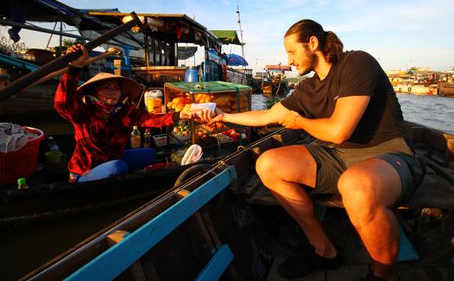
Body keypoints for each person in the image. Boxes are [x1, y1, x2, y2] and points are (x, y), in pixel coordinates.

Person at [197, 19, 425, 281]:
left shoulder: (357, 63)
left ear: (313, 44)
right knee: (268, 164)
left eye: (292, 52)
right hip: (339, 156)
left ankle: (385, 276)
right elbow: (267, 115)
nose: (290, 60)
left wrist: (300, 122)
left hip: (389, 154)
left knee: (356, 185)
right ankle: (323, 248)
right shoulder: (308, 88)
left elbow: (339, 131)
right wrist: (223, 117)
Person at [54, 44, 188, 183]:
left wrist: (179, 115)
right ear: (95, 93)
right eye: (106, 87)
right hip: (86, 171)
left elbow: (149, 119)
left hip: (111, 158)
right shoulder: (83, 112)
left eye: (116, 88)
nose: (113, 91)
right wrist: (74, 68)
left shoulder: (124, 111)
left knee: (150, 153)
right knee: (118, 167)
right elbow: (63, 102)